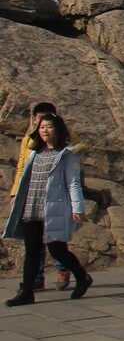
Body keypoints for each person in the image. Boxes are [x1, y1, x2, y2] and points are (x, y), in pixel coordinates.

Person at [4, 113, 93, 306]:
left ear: (58, 129)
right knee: (32, 250)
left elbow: (73, 182)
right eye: (42, 127)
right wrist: (16, 196)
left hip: (53, 207)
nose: (45, 130)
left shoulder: (68, 154)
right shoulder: (35, 152)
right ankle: (26, 291)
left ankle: (81, 276)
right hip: (32, 205)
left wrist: (78, 207)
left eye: (49, 126)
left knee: (57, 250)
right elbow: (24, 178)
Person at [9, 102, 72, 291]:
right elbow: (22, 167)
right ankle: (36, 279)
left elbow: (72, 173)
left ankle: (64, 270)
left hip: (54, 196)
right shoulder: (29, 141)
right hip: (32, 195)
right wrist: (15, 191)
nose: (43, 127)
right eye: (39, 121)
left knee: (55, 240)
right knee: (33, 243)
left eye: (48, 121)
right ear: (34, 120)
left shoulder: (66, 141)